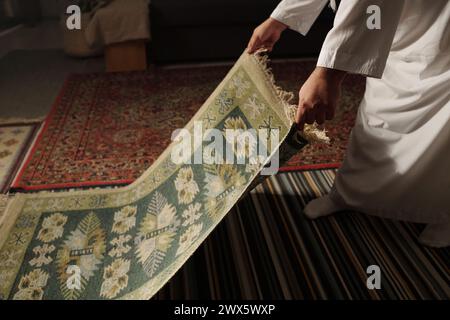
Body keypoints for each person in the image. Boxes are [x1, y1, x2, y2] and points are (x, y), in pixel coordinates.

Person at [247, 0, 450, 248]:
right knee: (379, 113)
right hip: (405, 22)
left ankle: (444, 213)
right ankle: (349, 193)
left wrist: (328, 74)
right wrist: (279, 19)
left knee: (444, 126)